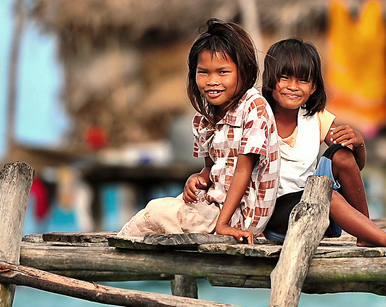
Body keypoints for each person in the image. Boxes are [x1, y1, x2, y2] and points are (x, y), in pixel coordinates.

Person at [119, 19, 279, 244]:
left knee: (155, 213)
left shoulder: (255, 108)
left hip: (241, 216)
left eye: (223, 72)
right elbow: (210, 168)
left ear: (244, 71)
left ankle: (113, 258)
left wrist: (223, 224)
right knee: (157, 213)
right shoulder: (206, 119)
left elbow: (243, 171)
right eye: (203, 72)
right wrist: (197, 179)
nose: (212, 81)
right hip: (215, 206)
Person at [261, 37, 386, 247]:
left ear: (314, 87)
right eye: (285, 78)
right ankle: (385, 239)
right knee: (327, 196)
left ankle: (366, 234)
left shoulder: (315, 118)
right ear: (270, 80)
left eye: (302, 80)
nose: (293, 87)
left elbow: (351, 165)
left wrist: (359, 143)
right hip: (273, 215)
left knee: (341, 154)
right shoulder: (259, 116)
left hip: (311, 208)